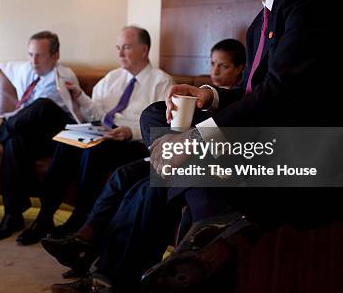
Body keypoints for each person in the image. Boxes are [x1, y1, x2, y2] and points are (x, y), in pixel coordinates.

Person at [50, 0, 343, 293]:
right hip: (283, 142)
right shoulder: (259, 24)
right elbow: (257, 94)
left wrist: (195, 140)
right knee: (155, 114)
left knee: (158, 175)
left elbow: (281, 95)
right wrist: (207, 96)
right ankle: (122, 268)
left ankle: (118, 271)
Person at [42, 38, 246, 278]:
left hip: (190, 154)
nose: (214, 71)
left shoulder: (241, 101)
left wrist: (184, 138)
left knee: (141, 188)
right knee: (123, 172)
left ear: (241, 68)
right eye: (212, 64)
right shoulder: (207, 97)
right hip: (172, 150)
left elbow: (219, 135)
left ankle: (104, 268)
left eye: (223, 66)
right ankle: (86, 238)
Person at [12, 26, 173, 246]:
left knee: (95, 148)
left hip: (135, 142)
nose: (120, 54)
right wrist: (81, 98)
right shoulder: (112, 78)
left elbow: (164, 126)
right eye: (118, 48)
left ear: (144, 50)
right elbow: (98, 114)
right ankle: (45, 215)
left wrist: (130, 131)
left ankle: (80, 219)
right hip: (105, 132)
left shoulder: (162, 82)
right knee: (68, 138)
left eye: (126, 47)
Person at [0, 31, 83, 241]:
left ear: (55, 55)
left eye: (39, 55)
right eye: (30, 55)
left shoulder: (62, 76)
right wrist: (0, 118)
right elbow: (3, 64)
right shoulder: (29, 71)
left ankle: (44, 217)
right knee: (14, 140)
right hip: (36, 136)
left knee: (41, 105)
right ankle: (12, 214)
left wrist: (1, 121)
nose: (33, 61)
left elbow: (32, 111)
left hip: (60, 134)